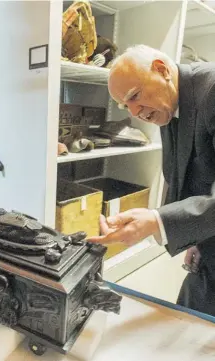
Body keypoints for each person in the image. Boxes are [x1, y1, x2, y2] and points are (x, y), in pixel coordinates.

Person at [88, 45, 215, 316]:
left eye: (135, 96)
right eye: (125, 105)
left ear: (162, 69)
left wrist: (157, 221)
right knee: (187, 321)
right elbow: (184, 178)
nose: (134, 113)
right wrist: (193, 237)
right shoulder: (171, 105)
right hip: (209, 248)